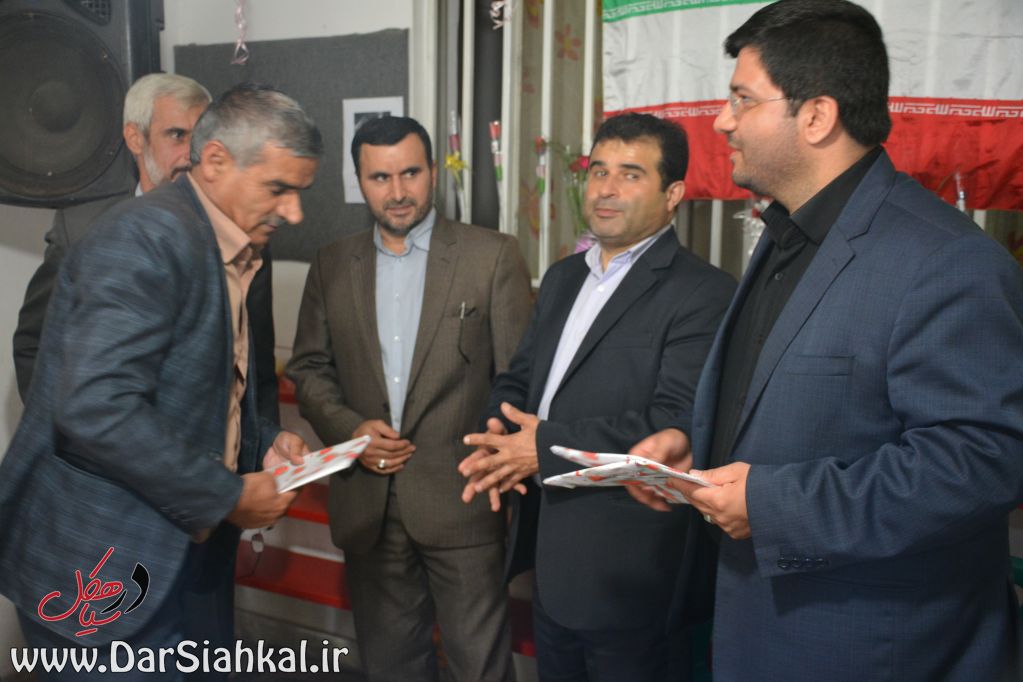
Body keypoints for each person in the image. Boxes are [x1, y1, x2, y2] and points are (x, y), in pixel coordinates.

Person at [632, 1, 1023, 679]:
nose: (721, 120)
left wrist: (771, 504)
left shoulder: (946, 260)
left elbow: (980, 463)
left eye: (742, 99)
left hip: (871, 649)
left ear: (815, 116)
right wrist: (699, 447)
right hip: (757, 631)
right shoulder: (785, 234)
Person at [0, 83, 322, 680]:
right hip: (101, 557)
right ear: (216, 160)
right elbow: (95, 406)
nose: (294, 212)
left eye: (300, 192)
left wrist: (262, 443)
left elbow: (212, 381)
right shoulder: (143, 237)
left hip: (184, 548)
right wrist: (228, 495)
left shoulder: (233, 242)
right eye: (279, 188)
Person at [459, 112, 735, 681]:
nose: (606, 189)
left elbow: (673, 418)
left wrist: (539, 449)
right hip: (551, 555)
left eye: (631, 174)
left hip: (632, 573)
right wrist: (498, 437)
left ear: (673, 194)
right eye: (599, 171)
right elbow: (521, 378)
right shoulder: (563, 277)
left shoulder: (703, 292)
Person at [286, 115, 531, 682]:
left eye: (410, 173)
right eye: (380, 177)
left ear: (432, 172)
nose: (397, 192)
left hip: (465, 501)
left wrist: (500, 453)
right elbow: (310, 368)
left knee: (480, 668)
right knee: (391, 667)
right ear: (359, 181)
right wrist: (351, 430)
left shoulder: (492, 256)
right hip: (368, 504)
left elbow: (519, 377)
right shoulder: (331, 263)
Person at [12, 73, 280, 423]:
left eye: (202, 135)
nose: (193, 153)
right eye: (177, 135)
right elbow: (34, 346)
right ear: (135, 138)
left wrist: (266, 441)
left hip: (210, 450)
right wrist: (70, 433)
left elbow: (258, 369)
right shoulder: (81, 230)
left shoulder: (244, 236)